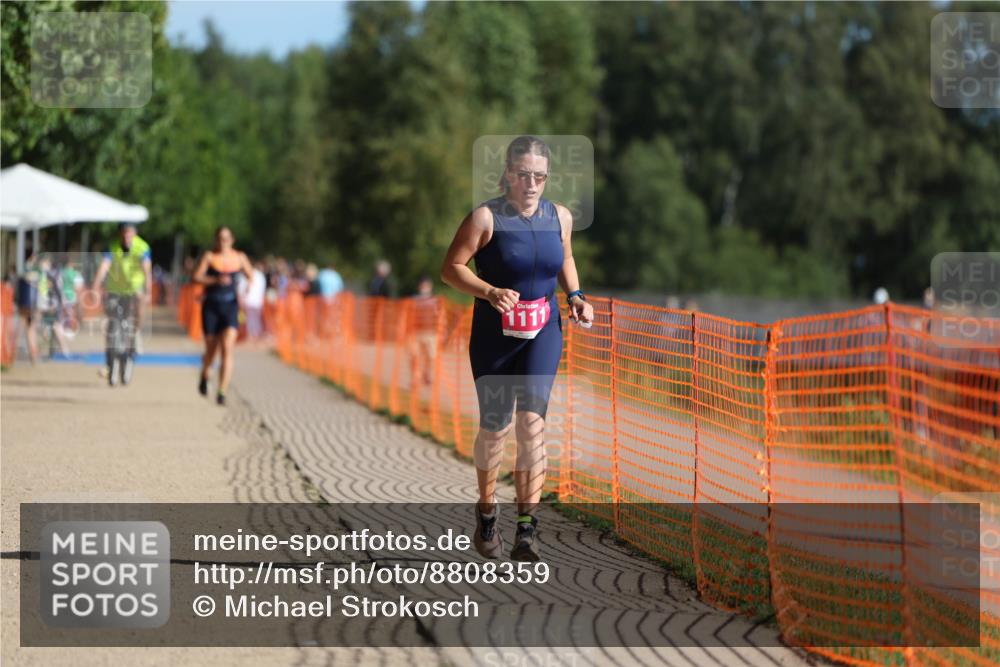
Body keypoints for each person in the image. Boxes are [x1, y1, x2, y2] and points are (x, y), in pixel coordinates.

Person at [441, 135, 594, 561]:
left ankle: (527, 527)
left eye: (540, 176)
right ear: (508, 173)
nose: (531, 183)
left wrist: (576, 294)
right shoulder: (485, 218)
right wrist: (489, 291)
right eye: (523, 174)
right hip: (494, 333)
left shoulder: (559, 217)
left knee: (532, 426)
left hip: (543, 331)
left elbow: (564, 258)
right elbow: (450, 269)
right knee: (496, 428)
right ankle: (487, 510)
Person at [192, 226, 253, 405]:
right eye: (219, 238)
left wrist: (248, 286)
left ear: (232, 240)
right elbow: (196, 277)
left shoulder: (240, 257)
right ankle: (204, 374)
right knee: (211, 350)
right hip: (211, 306)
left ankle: (222, 391)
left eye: (226, 238)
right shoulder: (210, 257)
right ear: (215, 240)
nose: (222, 242)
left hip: (230, 306)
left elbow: (251, 276)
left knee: (227, 347)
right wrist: (214, 280)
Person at [92, 223, 152, 386]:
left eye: (130, 234)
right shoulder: (113, 247)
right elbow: (104, 266)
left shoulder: (142, 247)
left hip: (134, 288)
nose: (127, 237)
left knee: (139, 303)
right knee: (112, 323)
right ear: (120, 234)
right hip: (115, 288)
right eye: (124, 234)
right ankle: (110, 359)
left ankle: (137, 332)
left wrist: (148, 291)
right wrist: (96, 286)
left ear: (135, 234)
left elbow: (147, 270)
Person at [241, 261, 267, 342]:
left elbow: (243, 289)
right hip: (255, 301)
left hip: (251, 300)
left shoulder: (253, 275)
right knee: (253, 318)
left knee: (251, 319)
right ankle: (254, 334)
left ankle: (253, 334)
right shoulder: (259, 275)